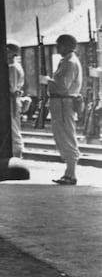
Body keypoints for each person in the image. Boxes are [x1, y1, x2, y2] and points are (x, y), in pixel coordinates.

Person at [41, 34, 83, 185]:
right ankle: (68, 173)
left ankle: (71, 174)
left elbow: (62, 86)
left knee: (66, 136)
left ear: (66, 46)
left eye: (59, 45)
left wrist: (47, 81)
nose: (57, 47)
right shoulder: (66, 61)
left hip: (64, 103)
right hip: (60, 103)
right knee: (62, 136)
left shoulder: (69, 63)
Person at [7, 41, 26, 158]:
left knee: (14, 129)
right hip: (13, 99)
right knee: (13, 128)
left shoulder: (13, 67)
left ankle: (17, 155)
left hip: (12, 100)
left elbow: (12, 87)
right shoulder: (15, 66)